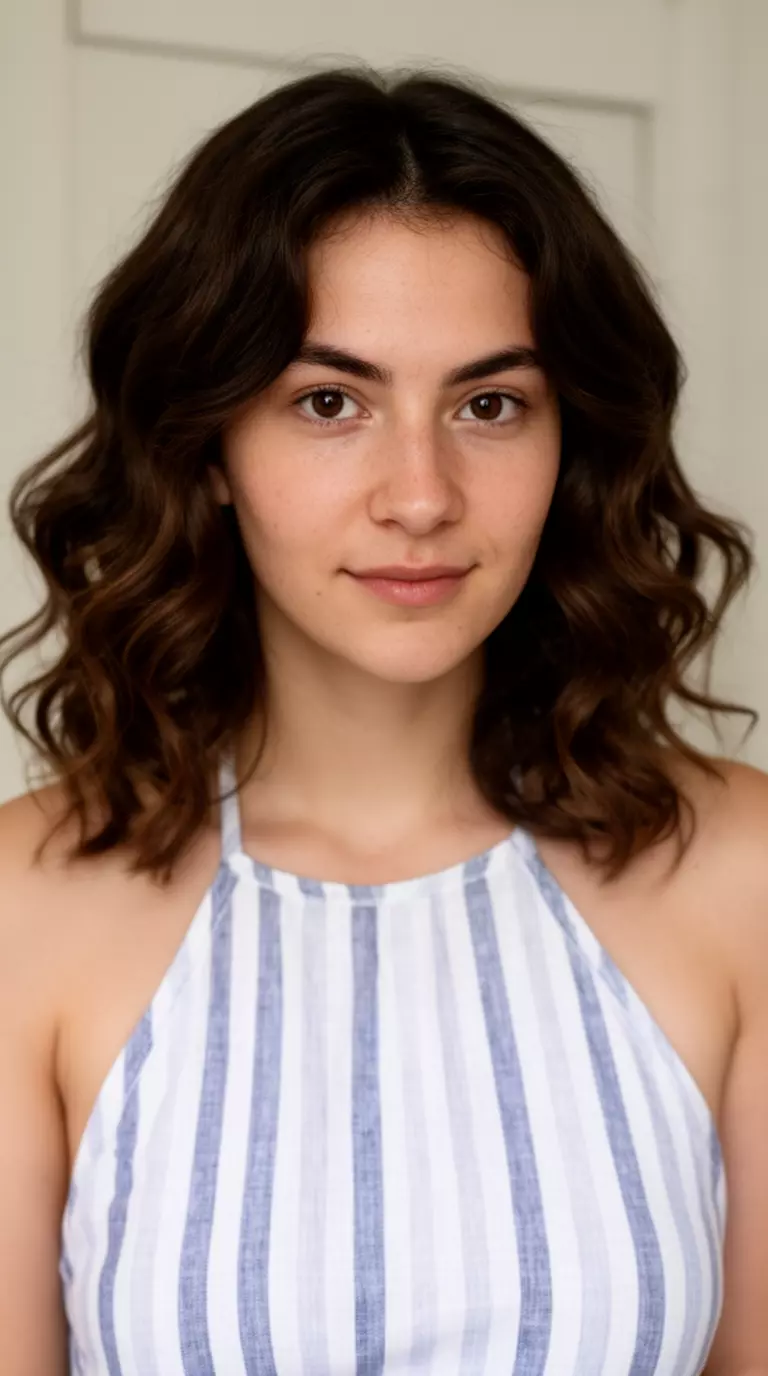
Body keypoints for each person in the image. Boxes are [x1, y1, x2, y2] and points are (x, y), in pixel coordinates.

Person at [0, 62, 766, 1376]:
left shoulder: (741, 876)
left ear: (567, 443)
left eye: (489, 405)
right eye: (329, 402)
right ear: (206, 452)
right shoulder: (27, 908)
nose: (421, 494)